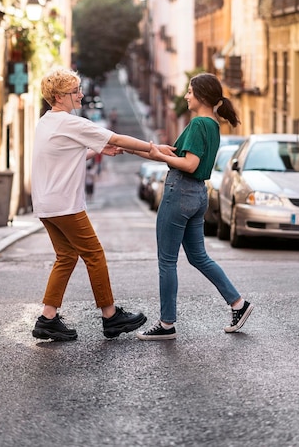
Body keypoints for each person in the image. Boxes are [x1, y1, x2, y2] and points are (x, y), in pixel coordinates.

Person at [31, 66, 175, 342]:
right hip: (65, 205)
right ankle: (110, 316)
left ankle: (47, 318)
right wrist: (153, 148)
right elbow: (117, 138)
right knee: (94, 254)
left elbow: (63, 156)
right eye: (75, 91)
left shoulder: (47, 121)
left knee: (66, 256)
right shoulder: (70, 122)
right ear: (59, 97)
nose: (81, 95)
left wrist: (96, 149)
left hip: (47, 204)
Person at [134, 73, 254, 340]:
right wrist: (133, 149)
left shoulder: (198, 123)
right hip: (198, 195)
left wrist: (155, 154)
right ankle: (238, 304)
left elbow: (189, 164)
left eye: (189, 91)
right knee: (199, 257)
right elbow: (172, 155)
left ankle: (167, 324)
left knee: (167, 261)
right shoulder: (211, 124)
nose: (186, 96)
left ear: (200, 96)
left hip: (180, 192)